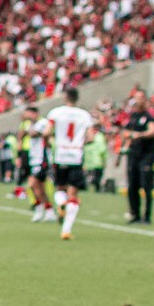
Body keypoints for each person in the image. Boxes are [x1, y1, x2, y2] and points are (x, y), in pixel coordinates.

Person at [45, 88, 98, 241]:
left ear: (65, 97)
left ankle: (61, 203)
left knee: (59, 189)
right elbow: (91, 137)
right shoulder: (84, 115)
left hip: (60, 156)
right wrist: (79, 143)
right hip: (76, 156)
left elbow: (47, 132)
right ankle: (66, 231)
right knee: (73, 195)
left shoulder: (56, 112)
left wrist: (53, 141)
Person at [121, 89, 154, 224]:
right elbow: (125, 132)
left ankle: (146, 216)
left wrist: (139, 135)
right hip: (134, 155)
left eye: (141, 97)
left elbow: (153, 131)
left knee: (146, 186)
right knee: (132, 186)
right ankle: (134, 214)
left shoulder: (148, 116)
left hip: (146, 155)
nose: (139, 100)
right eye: (136, 98)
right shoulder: (132, 116)